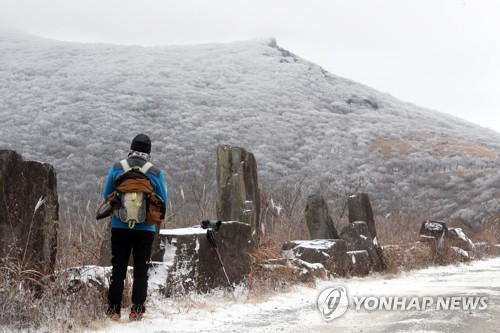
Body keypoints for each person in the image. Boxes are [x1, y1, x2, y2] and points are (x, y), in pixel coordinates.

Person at [103, 133, 168, 321]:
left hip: (119, 226)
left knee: (118, 270)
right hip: (145, 229)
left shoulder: (117, 167)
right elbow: (163, 200)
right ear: (148, 152)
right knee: (141, 271)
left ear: (131, 148)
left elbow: (107, 194)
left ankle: (114, 311)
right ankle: (136, 310)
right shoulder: (155, 172)